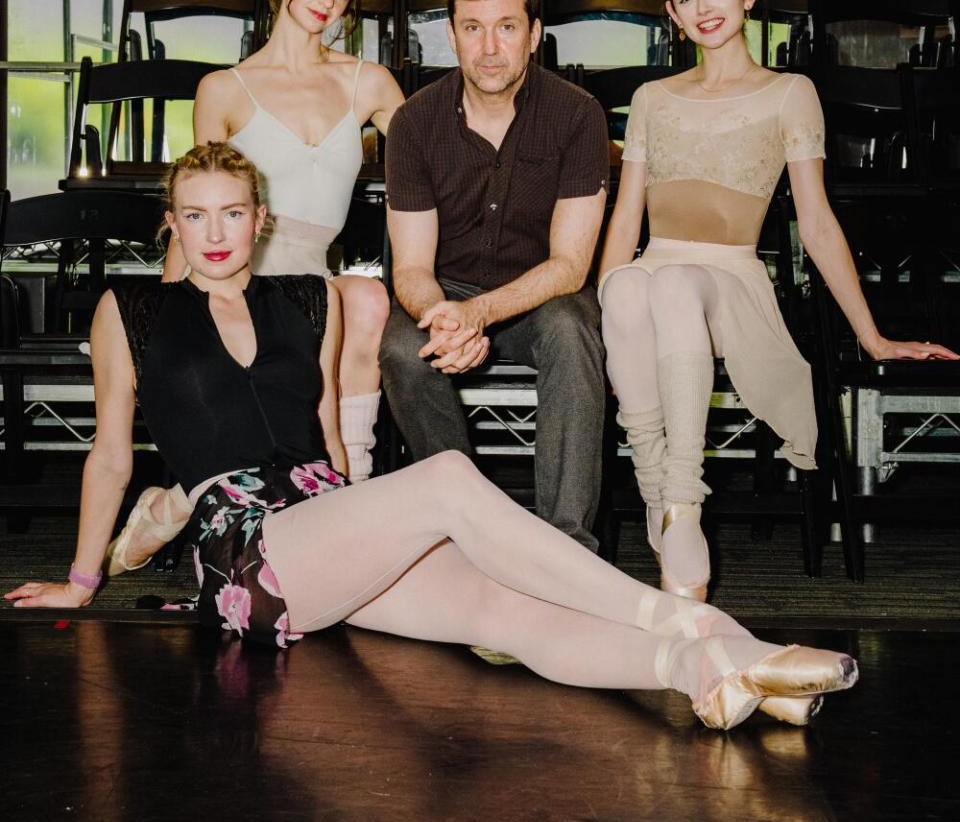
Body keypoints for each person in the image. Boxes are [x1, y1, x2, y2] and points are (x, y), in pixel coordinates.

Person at [6, 142, 859, 733]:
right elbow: (111, 453)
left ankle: (714, 671)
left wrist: (357, 510)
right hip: (242, 550)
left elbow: (329, 444)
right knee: (447, 476)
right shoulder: (133, 310)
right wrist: (82, 582)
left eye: (232, 214)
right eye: (197, 217)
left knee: (503, 611)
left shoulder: (310, 299)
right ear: (172, 225)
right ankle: (688, 618)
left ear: (259, 218)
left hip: (322, 527)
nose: (217, 234)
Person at [598, 0, 958, 601]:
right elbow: (624, 219)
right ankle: (661, 495)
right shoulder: (652, 98)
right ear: (671, 15)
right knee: (623, 289)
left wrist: (872, 334)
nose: (704, 7)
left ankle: (683, 496)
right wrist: (601, 316)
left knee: (669, 282)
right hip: (654, 272)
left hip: (728, 277)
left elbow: (818, 223)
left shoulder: (790, 91)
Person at [107, 0, 404, 575]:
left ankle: (346, 506)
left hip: (313, 281)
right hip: (236, 279)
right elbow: (195, 205)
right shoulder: (224, 89)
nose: (329, 1)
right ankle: (171, 507)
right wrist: (163, 318)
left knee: (363, 297)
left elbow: (438, 154)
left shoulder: (369, 82)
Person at [378, 0, 609, 552]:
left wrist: (482, 314)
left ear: (534, 35)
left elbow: (570, 266)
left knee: (572, 329)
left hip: (540, 297)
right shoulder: (412, 123)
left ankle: (566, 546)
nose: (488, 47)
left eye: (506, 27)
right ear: (451, 33)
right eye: (472, 28)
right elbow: (410, 267)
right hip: (449, 293)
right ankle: (470, 532)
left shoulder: (578, 116)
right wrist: (447, 317)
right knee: (404, 347)